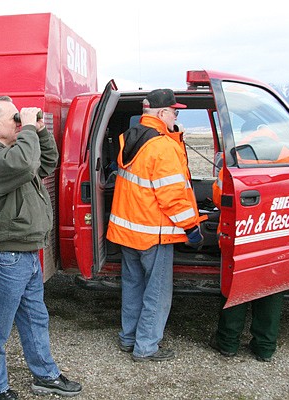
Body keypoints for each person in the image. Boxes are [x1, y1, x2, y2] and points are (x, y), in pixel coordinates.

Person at [0, 96, 82, 399]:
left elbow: (45, 163)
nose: (19, 122)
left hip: (26, 252)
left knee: (35, 319)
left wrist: (39, 131)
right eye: (14, 117)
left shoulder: (11, 151)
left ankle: (45, 375)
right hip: (5, 256)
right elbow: (25, 162)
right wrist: (28, 129)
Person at [106, 89, 206, 362]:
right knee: (157, 293)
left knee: (133, 287)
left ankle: (129, 339)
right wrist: (191, 228)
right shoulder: (162, 146)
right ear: (162, 113)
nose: (176, 116)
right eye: (175, 112)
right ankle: (146, 347)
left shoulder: (132, 138)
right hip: (154, 234)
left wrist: (175, 134)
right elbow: (172, 195)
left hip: (129, 232)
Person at [208, 128, 289, 362]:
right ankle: (265, 347)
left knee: (236, 286)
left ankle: (227, 343)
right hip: (275, 233)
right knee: (271, 289)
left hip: (239, 232)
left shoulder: (236, 157)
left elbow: (219, 196)